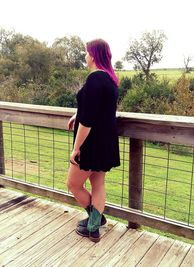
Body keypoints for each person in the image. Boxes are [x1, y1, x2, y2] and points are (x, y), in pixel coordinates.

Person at [66, 39, 120, 243]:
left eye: (87, 52)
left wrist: (76, 148)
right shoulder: (110, 79)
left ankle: (95, 222)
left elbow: (87, 121)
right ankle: (94, 226)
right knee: (98, 184)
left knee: (72, 183)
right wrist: (77, 113)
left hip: (90, 143)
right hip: (106, 141)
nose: (85, 56)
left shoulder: (95, 79)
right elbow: (94, 107)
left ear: (94, 55)